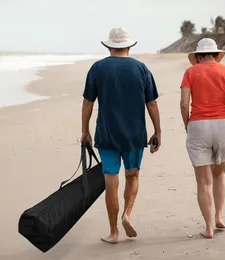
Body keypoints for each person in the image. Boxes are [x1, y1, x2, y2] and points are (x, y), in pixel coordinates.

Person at [81, 27, 161, 244]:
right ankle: (127, 214)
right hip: (134, 135)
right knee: (132, 176)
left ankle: (114, 232)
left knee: (111, 180)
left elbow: (88, 102)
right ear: (129, 46)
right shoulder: (141, 68)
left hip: (107, 134)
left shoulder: (98, 68)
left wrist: (85, 131)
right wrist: (158, 131)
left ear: (109, 46)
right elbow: (151, 103)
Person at [180, 38, 225, 239]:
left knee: (203, 181)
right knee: (220, 174)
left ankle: (208, 227)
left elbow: (183, 103)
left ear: (198, 56)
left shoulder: (190, 72)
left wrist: (187, 124)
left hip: (198, 125)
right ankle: (219, 216)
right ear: (216, 54)